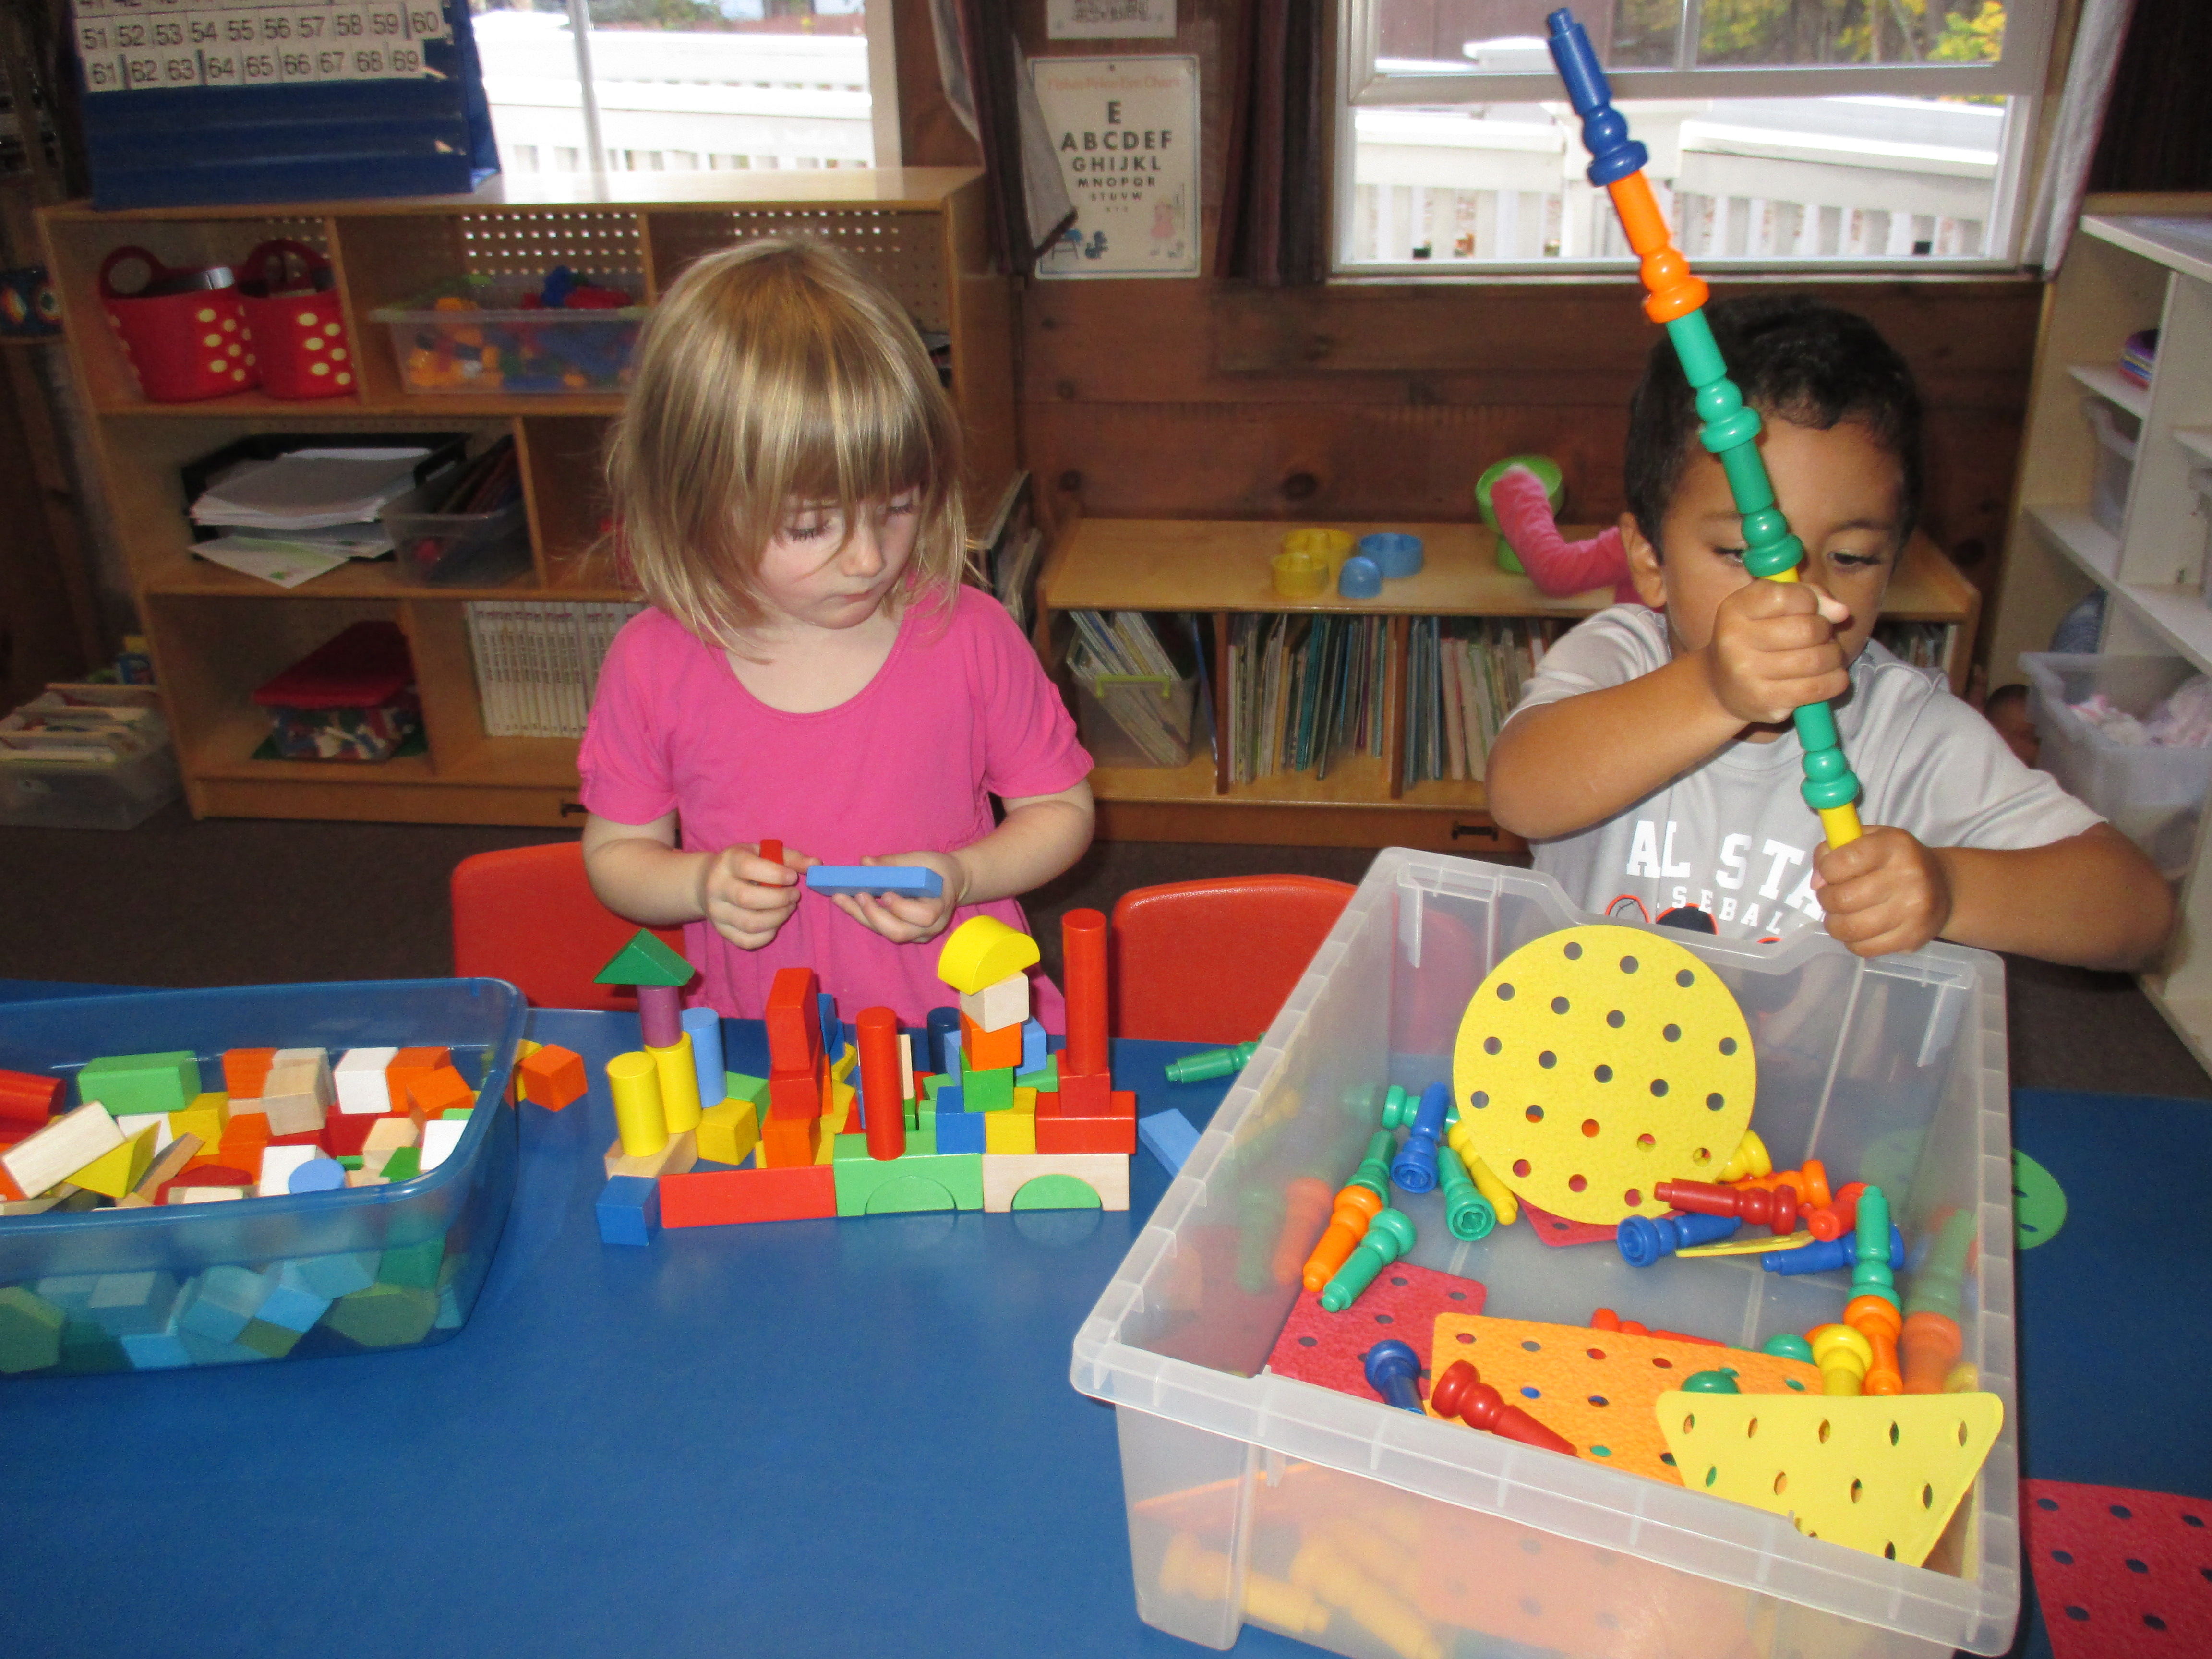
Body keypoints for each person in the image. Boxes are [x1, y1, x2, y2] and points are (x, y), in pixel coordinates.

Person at [1486, 295, 2171, 970]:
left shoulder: (1909, 732)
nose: (1802, 595)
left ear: (1894, 566)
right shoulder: (1619, 656)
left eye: (1851, 558)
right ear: (1649, 560)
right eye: (1742, 553)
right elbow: (1520, 794)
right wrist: (1712, 690)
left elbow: (2139, 912)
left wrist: (1952, 888)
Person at [578, 239, 1095, 1027]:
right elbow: (617, 857)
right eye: (810, 525)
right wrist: (700, 884)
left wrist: (963, 875)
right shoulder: (653, 662)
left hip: (963, 1025)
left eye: (897, 508)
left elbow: (1061, 810)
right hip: (765, 1031)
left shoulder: (971, 635)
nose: (867, 559)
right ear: (694, 503)